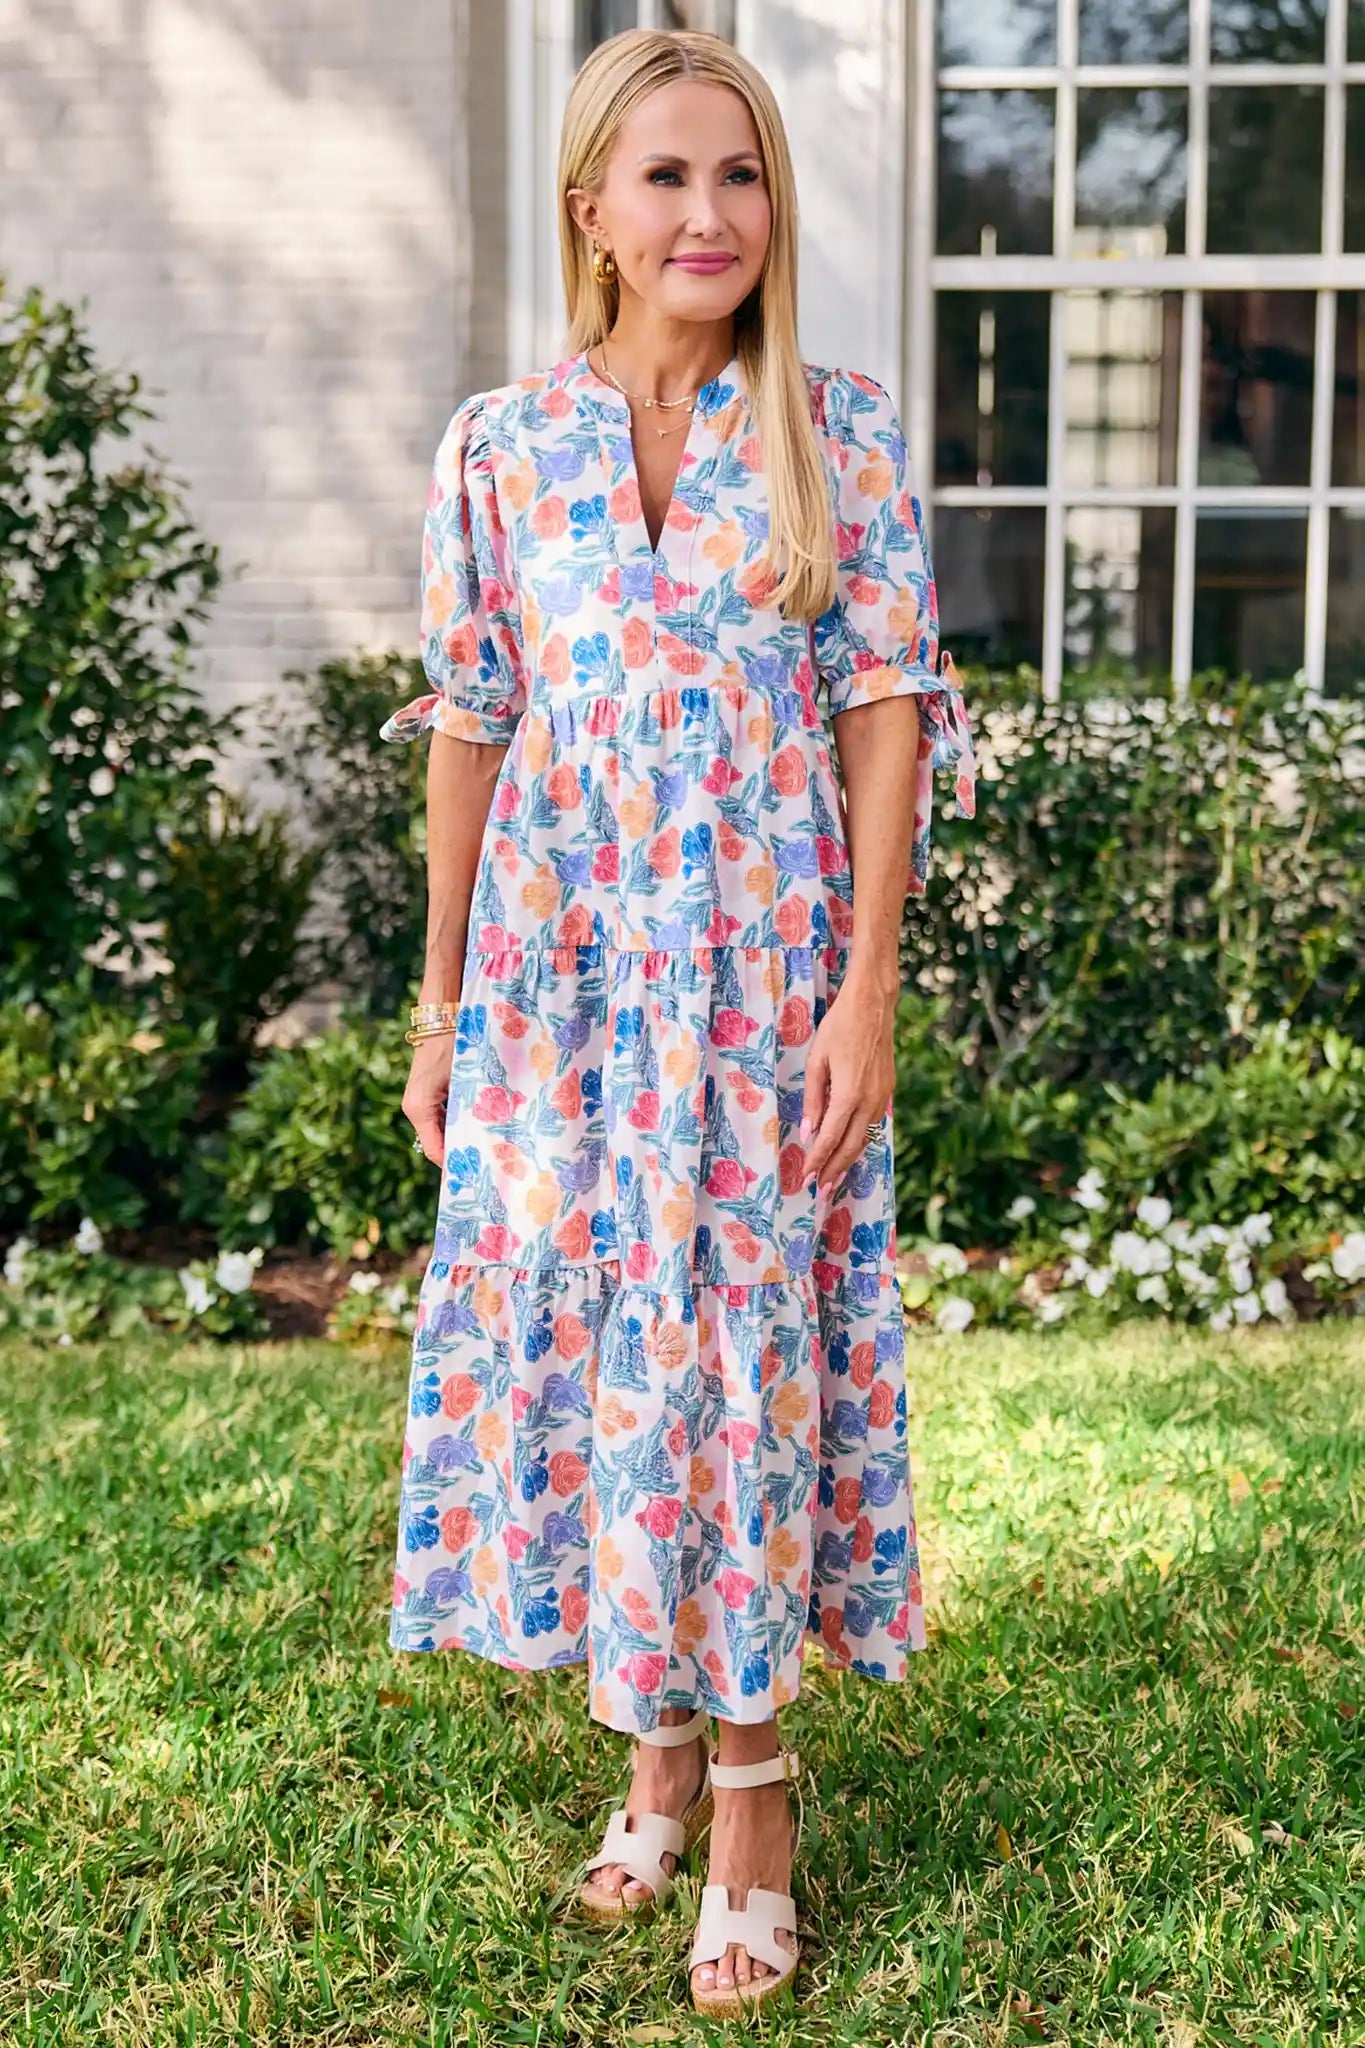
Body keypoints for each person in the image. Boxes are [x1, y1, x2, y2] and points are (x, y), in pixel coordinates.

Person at [381, 24, 976, 2019]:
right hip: (557, 997)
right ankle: (647, 1748)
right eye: (667, 179)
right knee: (603, 1358)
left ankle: (747, 1809)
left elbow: (883, 721)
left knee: (735, 1359)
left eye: (738, 177)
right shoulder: (502, 447)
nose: (709, 213)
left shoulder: (841, 433)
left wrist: (865, 987)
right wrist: (441, 1004)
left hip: (756, 988)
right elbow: (474, 730)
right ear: (592, 213)